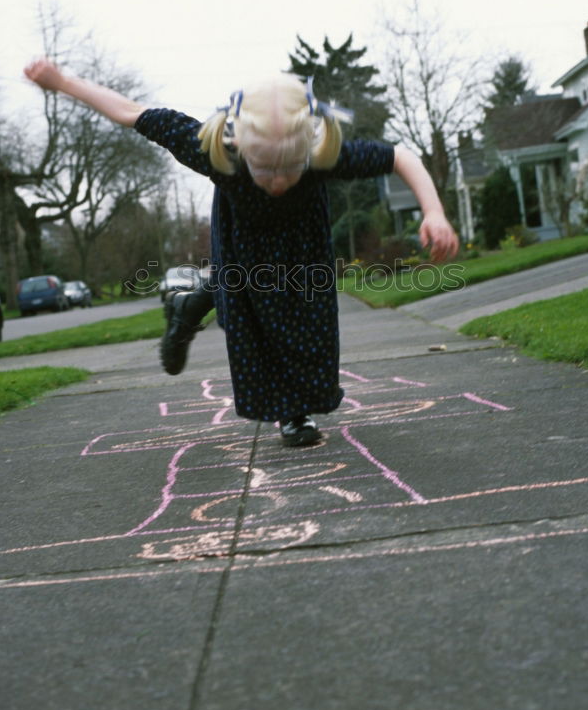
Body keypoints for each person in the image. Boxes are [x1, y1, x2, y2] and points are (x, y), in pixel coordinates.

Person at [24, 59, 458, 447]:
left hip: (303, 253)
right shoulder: (217, 153)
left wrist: (434, 211)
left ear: (309, 148)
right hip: (243, 249)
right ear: (238, 146)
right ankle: (290, 411)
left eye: (290, 168)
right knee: (254, 326)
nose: (277, 180)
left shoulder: (324, 156)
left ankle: (191, 304)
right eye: (263, 167)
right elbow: (131, 112)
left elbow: (402, 156)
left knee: (310, 326)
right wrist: (63, 81)